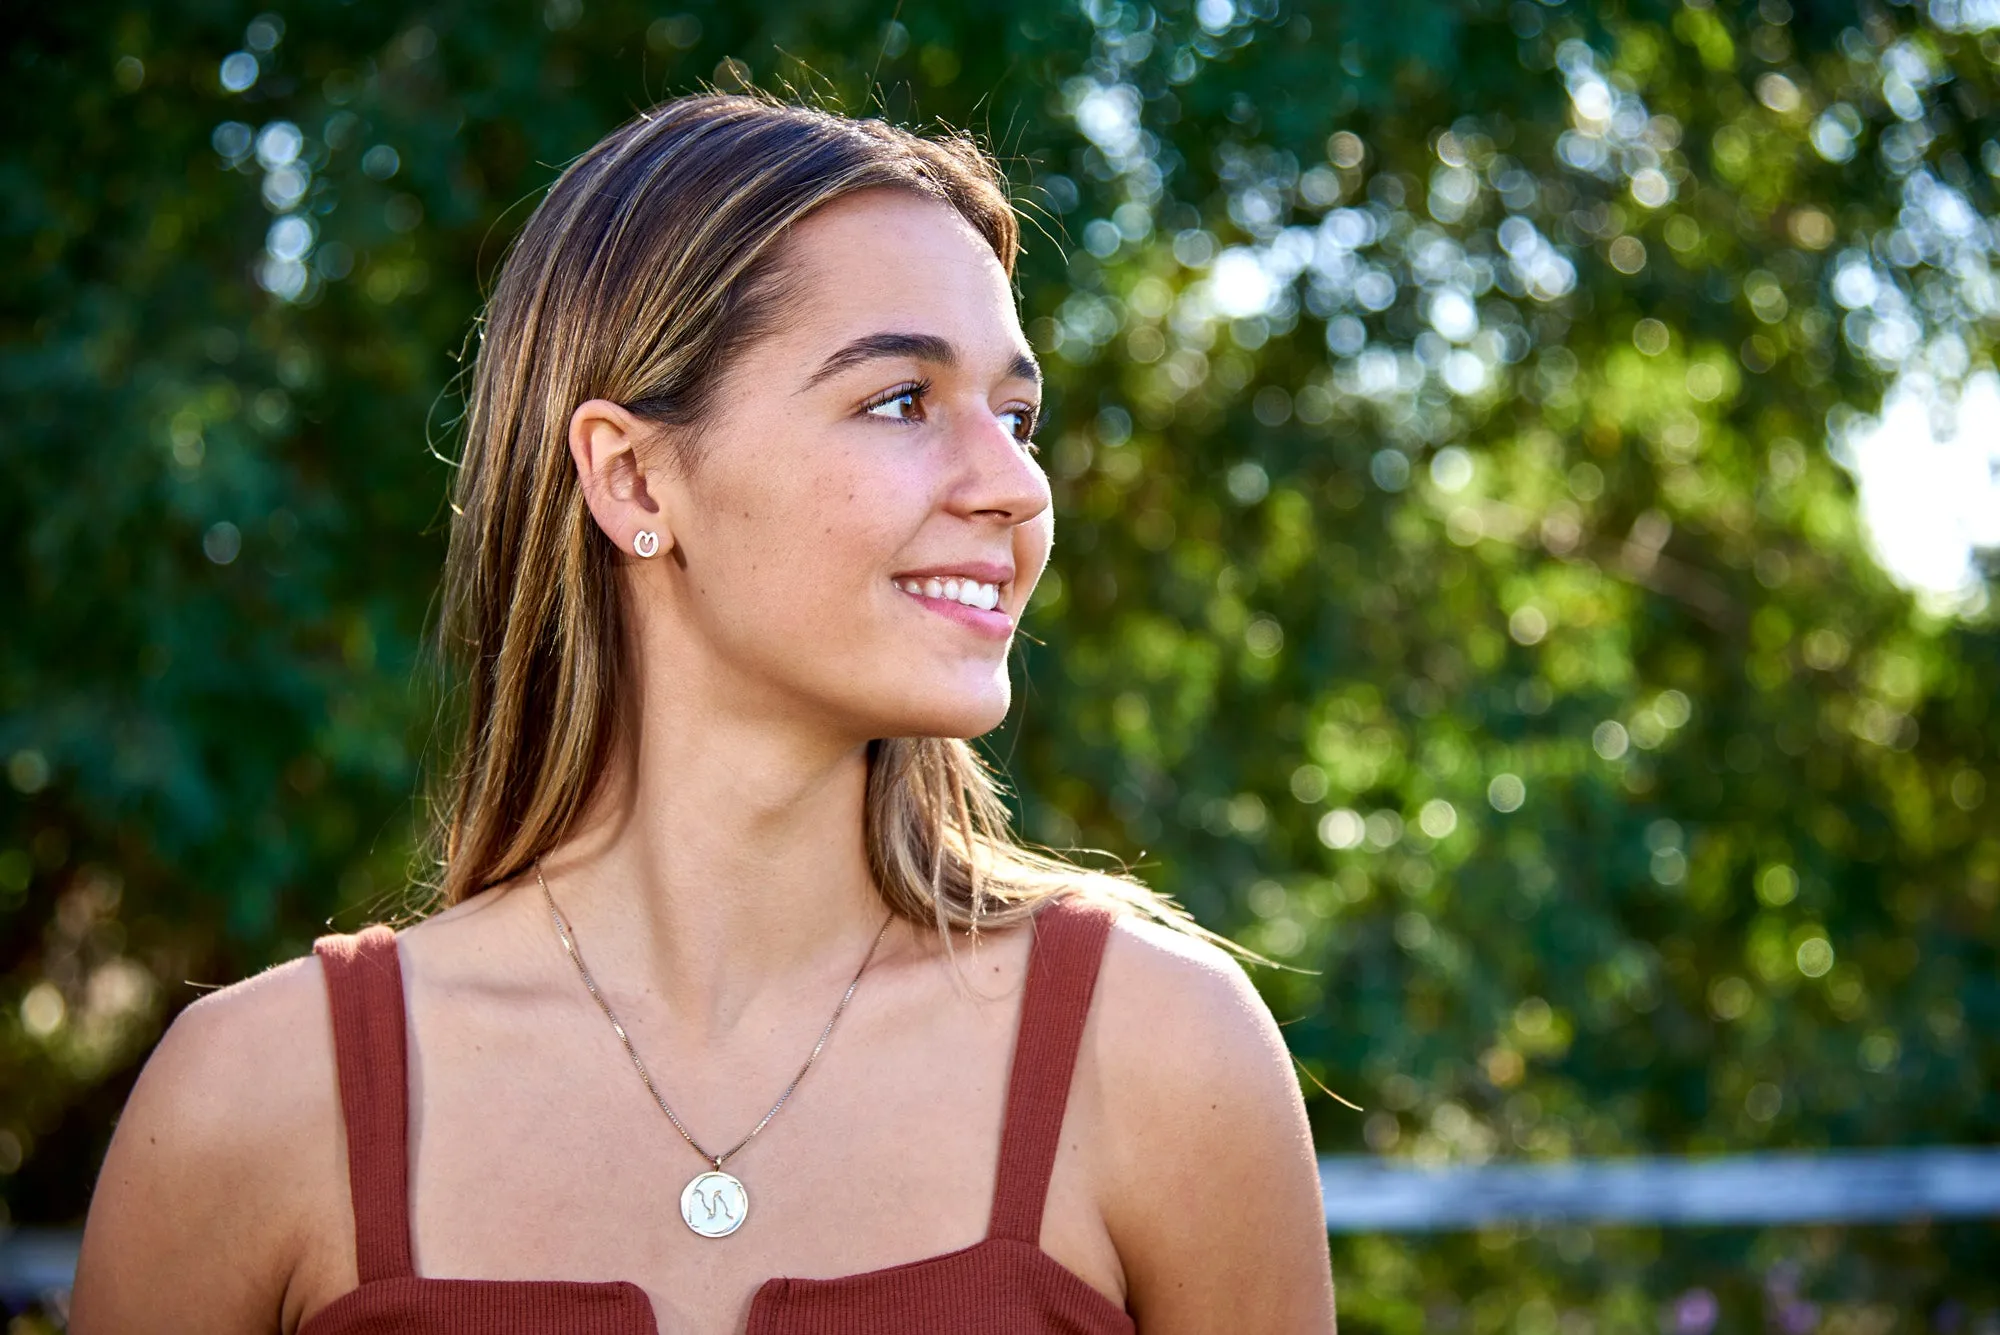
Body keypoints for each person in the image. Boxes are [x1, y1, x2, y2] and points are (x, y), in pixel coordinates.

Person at [71, 89, 1337, 1334]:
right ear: (632, 477)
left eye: (1018, 417)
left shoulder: (1162, 1060)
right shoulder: (258, 1102)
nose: (1015, 486)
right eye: (901, 398)